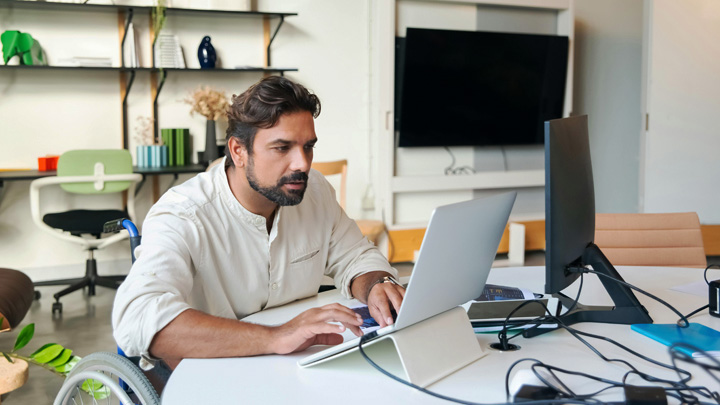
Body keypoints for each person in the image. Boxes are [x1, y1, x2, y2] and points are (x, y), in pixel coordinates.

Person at [112, 76, 405, 371]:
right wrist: (277, 336)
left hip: (297, 362)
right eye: (282, 148)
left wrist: (377, 283)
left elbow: (356, 256)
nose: (302, 164)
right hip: (207, 369)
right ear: (238, 151)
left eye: (308, 147)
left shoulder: (315, 191)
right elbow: (137, 317)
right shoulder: (184, 213)